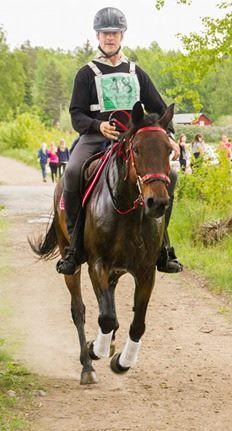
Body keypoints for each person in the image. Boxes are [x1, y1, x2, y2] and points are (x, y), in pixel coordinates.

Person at [56, 7, 182, 275]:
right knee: (72, 172)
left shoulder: (137, 73)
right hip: (97, 138)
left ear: (122, 35)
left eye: (114, 33)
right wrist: (97, 125)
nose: (109, 38)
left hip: (134, 141)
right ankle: (74, 248)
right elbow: (75, 114)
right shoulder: (86, 73)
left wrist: (170, 138)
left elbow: (160, 110)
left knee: (171, 173)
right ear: (97, 36)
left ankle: (163, 248)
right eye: (104, 33)